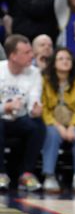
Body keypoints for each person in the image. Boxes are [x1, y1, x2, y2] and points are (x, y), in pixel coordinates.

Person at [0, 35, 46, 191]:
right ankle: (1, 174)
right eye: (26, 52)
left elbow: (34, 97)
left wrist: (35, 109)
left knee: (38, 126)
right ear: (13, 55)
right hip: (1, 118)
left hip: (19, 119)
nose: (31, 56)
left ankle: (26, 174)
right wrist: (4, 108)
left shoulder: (34, 73)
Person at [40, 48, 75, 193]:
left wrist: (72, 126)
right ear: (54, 63)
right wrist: (59, 127)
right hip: (52, 123)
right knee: (52, 134)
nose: (65, 61)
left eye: (68, 59)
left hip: (72, 123)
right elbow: (43, 109)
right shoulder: (45, 81)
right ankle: (49, 176)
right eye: (61, 59)